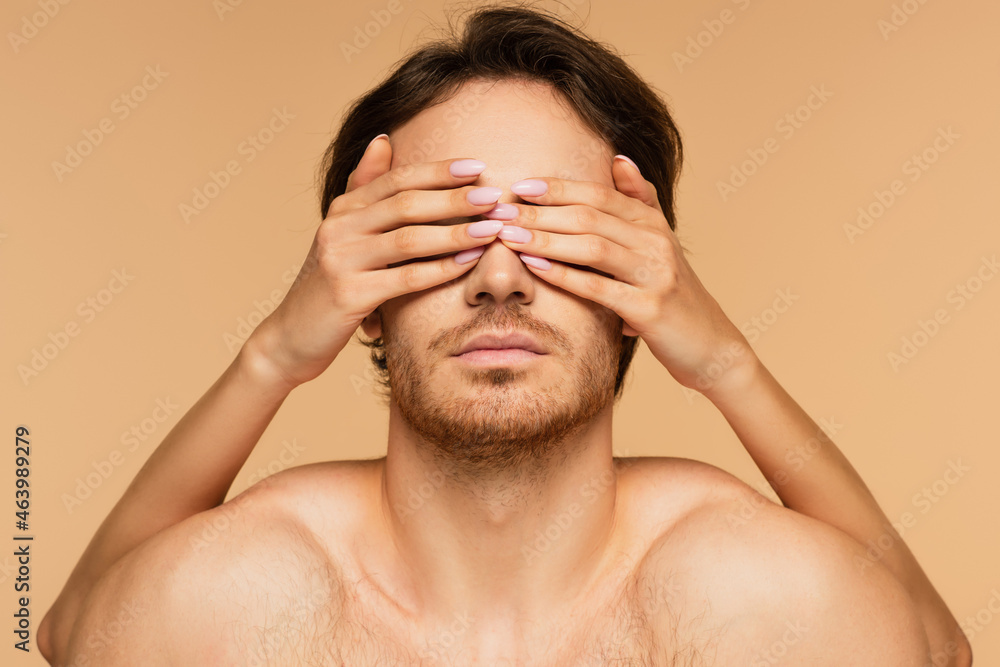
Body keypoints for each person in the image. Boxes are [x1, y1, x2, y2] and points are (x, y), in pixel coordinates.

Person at [40, 4, 970, 665]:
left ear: (641, 285)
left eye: (556, 236)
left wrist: (721, 356)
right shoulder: (255, 592)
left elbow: (930, 652)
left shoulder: (745, 595)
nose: (498, 278)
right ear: (359, 289)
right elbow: (78, 637)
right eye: (440, 233)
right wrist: (280, 347)